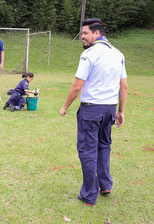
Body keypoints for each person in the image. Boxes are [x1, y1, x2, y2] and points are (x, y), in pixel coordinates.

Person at [59, 18, 128, 206]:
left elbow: (76, 87)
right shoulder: (118, 53)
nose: (82, 37)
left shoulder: (89, 54)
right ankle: (105, 185)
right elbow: (124, 86)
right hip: (109, 109)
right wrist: (121, 110)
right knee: (104, 146)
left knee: (87, 150)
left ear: (97, 33)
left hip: (91, 110)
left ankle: (89, 195)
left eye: (85, 33)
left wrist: (64, 107)